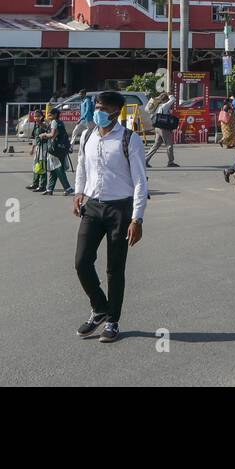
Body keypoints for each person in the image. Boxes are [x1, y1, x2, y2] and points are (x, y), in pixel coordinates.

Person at [72, 90, 148, 343]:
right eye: (97, 106)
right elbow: (82, 165)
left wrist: (137, 219)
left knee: (114, 269)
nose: (98, 112)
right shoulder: (87, 135)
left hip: (120, 209)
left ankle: (113, 320)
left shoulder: (129, 139)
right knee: (82, 262)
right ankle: (99, 308)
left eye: (103, 108)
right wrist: (78, 192)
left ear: (116, 112)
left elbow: (140, 181)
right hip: (92, 206)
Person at [38, 107, 75, 196]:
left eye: (50, 114)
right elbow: (49, 128)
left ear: (55, 115)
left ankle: (68, 188)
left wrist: (44, 135)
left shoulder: (54, 122)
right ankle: (49, 189)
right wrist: (41, 123)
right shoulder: (59, 122)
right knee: (53, 170)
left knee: (58, 168)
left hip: (55, 149)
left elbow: (53, 134)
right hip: (61, 149)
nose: (49, 116)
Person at [144, 93, 179, 168]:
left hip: (157, 127)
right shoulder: (165, 105)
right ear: (166, 100)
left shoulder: (157, 105)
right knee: (169, 144)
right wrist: (170, 95)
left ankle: (145, 160)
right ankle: (171, 162)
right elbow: (173, 99)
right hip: (164, 128)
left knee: (156, 145)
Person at [27, 109, 49, 192]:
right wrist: (32, 148)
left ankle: (42, 185)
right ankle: (35, 183)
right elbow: (35, 138)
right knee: (36, 165)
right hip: (38, 148)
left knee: (42, 166)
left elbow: (49, 133)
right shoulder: (36, 125)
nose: (36, 118)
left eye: (38, 116)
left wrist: (40, 123)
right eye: (35, 116)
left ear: (42, 116)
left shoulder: (44, 124)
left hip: (44, 147)